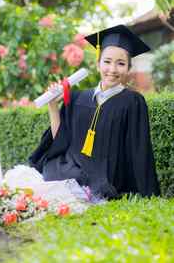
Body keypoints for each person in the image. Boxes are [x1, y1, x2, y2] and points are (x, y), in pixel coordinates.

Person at [29, 24, 160, 199]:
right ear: (98, 63)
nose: (112, 69)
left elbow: (139, 150)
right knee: (53, 173)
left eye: (120, 63)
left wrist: (146, 190)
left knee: (95, 188)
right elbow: (61, 139)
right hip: (72, 168)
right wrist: (52, 105)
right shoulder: (77, 98)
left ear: (129, 68)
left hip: (106, 176)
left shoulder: (132, 102)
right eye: (107, 62)